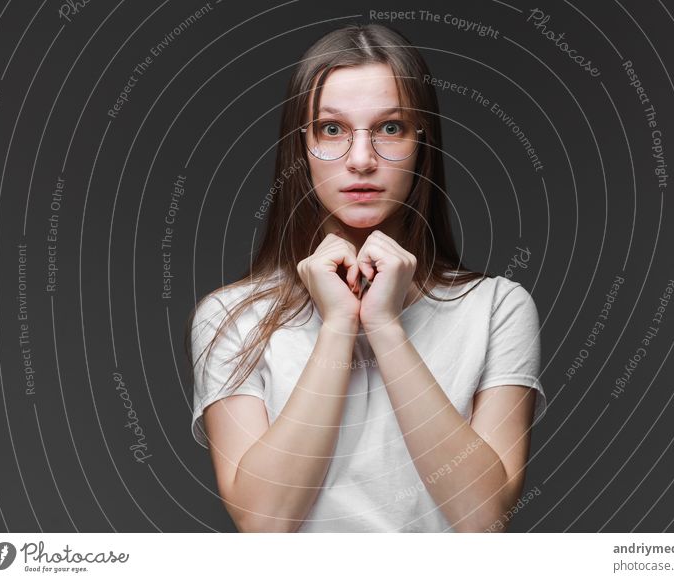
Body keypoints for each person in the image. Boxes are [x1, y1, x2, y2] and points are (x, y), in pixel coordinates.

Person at [184, 22, 546, 533]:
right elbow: (265, 523)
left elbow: (482, 517)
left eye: (390, 128)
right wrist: (336, 326)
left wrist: (384, 325)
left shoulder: (495, 308)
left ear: (422, 142)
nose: (361, 160)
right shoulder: (230, 318)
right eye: (331, 129)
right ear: (301, 146)